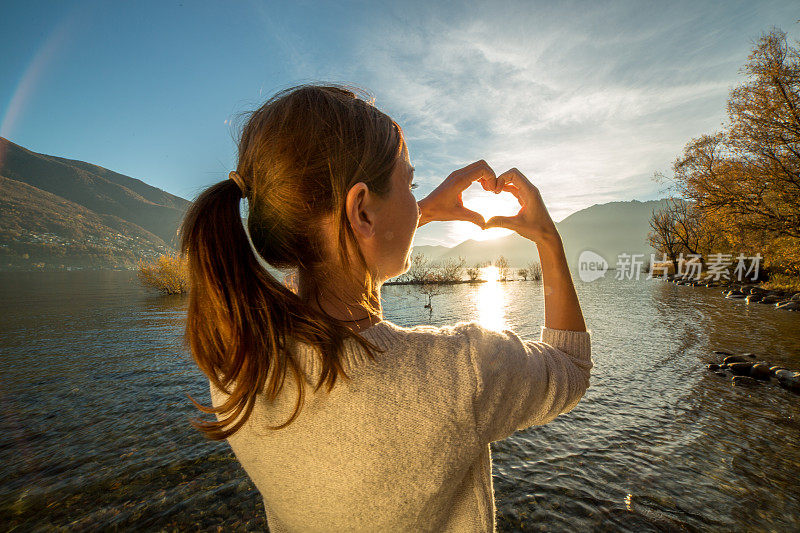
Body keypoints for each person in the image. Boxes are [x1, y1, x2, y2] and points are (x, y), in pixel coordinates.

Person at [179, 83, 592, 532]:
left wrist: (416, 211)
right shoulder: (461, 371)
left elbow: (333, 281)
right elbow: (570, 365)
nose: (416, 202)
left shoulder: (237, 363)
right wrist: (549, 240)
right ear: (361, 212)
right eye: (409, 185)